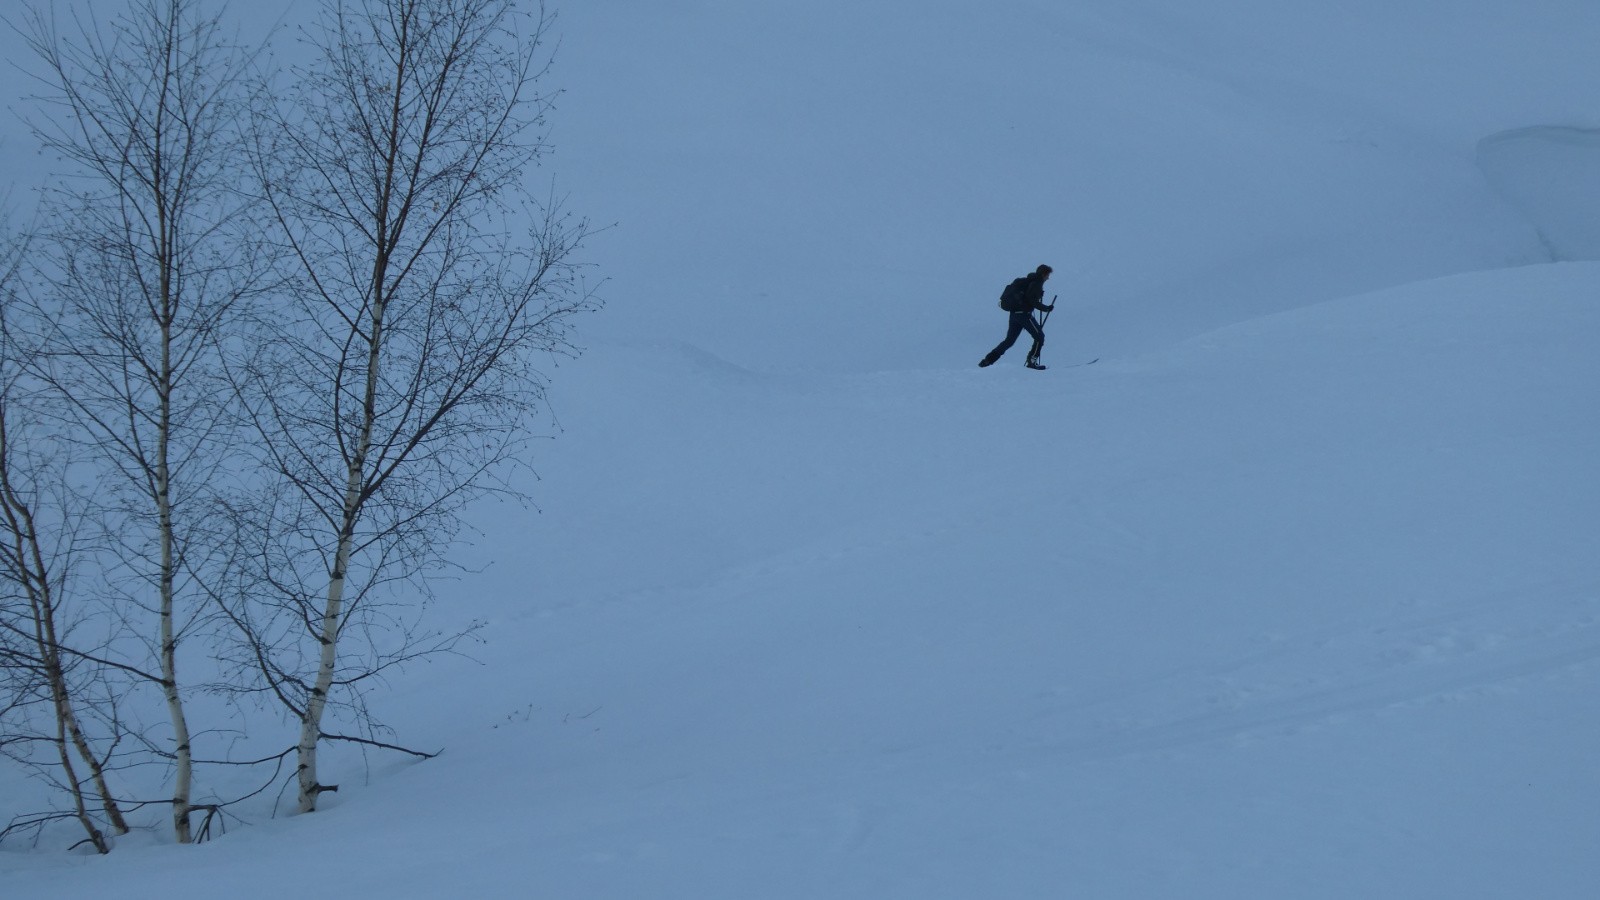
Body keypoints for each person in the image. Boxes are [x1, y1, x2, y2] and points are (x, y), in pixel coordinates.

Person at [979, 264, 1055, 370]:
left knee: (1009, 340)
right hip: (1024, 315)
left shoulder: (1027, 280)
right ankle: (1032, 361)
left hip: (1014, 314)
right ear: (1044, 274)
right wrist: (1046, 308)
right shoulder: (1037, 283)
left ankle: (988, 360)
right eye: (1048, 275)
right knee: (1039, 336)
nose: (1048, 278)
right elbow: (1031, 300)